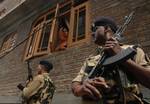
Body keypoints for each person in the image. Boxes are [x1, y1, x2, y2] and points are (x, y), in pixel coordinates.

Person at [71, 17, 150, 104]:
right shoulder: (91, 59)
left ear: (107, 29)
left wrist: (121, 56)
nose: (92, 33)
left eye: (95, 29)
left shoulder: (132, 50)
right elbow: (75, 84)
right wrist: (81, 89)